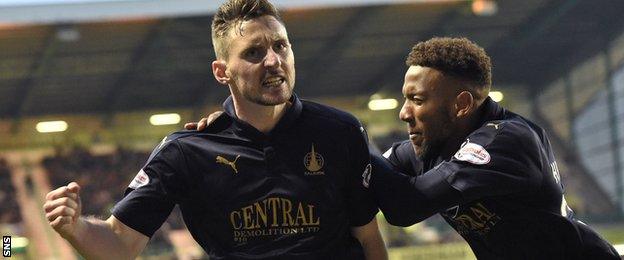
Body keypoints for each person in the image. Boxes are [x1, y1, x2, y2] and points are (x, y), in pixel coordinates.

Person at [42, 0, 387, 259]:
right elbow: (120, 243)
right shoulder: (186, 151)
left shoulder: (340, 131)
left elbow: (369, 239)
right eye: (254, 52)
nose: (273, 60)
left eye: (280, 45)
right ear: (222, 72)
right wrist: (75, 228)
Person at [369, 37, 619, 259]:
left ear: (462, 104)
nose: (404, 113)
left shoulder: (507, 141)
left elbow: (405, 206)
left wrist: (350, 135)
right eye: (405, 98)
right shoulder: (429, 146)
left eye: (418, 100)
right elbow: (366, 173)